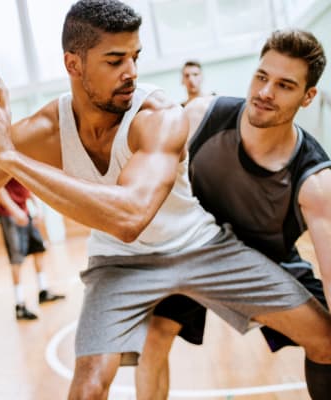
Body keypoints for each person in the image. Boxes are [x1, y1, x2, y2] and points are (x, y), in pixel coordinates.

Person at [0, 1, 329, 398]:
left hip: (198, 247)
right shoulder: (46, 129)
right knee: (89, 386)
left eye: (135, 57)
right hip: (119, 263)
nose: (132, 73)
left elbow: (130, 216)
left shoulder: (159, 115)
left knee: (326, 341)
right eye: (115, 60)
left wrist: (12, 159)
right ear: (74, 65)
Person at [139, 29, 331, 400]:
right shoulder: (198, 117)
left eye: (284, 85)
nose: (264, 92)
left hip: (265, 259)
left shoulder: (317, 182)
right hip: (190, 247)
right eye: (262, 76)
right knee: (154, 337)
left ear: (309, 97)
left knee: (327, 342)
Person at [0, 178, 65, 321]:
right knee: (17, 258)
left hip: (24, 210)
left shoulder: (23, 157)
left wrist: (38, 208)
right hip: (9, 215)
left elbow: (28, 183)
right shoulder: (1, 162)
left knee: (38, 249)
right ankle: (20, 305)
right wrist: (14, 211)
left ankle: (43, 291)